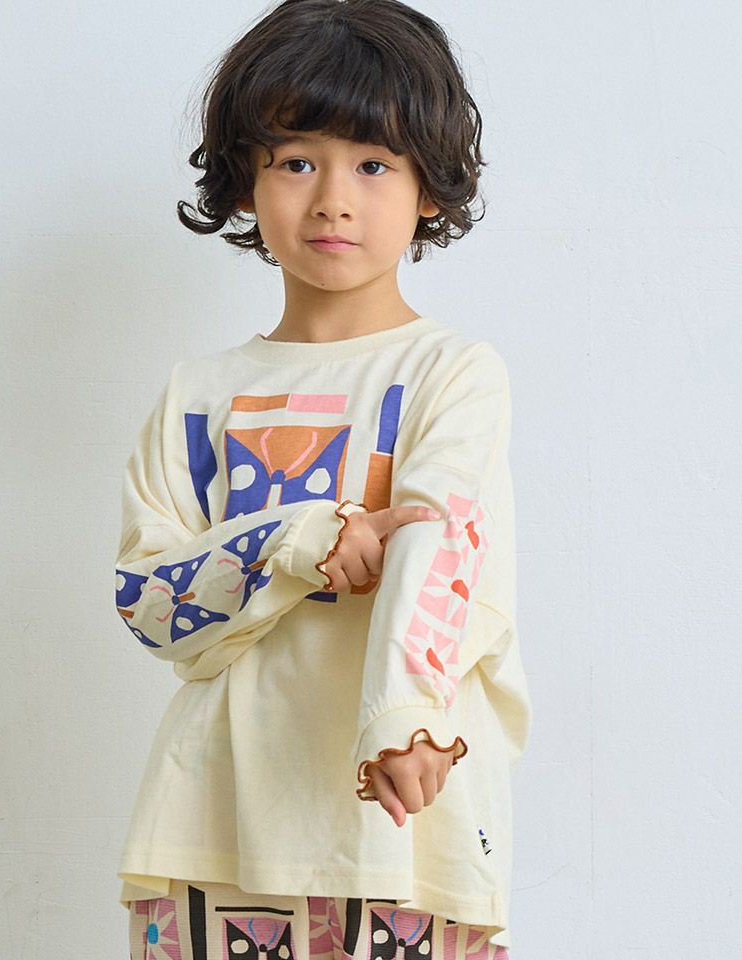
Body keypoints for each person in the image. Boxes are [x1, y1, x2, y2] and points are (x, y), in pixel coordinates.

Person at [114, 1, 532, 957]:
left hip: (403, 831)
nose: (333, 198)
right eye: (297, 161)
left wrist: (404, 717)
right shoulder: (197, 394)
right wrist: (310, 539)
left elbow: (443, 545)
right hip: (209, 827)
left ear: (430, 188)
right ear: (246, 182)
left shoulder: (452, 373)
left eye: (373, 164)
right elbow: (149, 603)